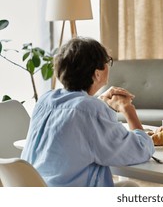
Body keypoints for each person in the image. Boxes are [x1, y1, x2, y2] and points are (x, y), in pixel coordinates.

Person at [21, 37, 155, 187]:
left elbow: (79, 128)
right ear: (97, 74)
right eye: (108, 61)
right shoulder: (90, 110)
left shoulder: (45, 100)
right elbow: (141, 150)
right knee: (130, 188)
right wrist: (128, 110)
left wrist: (101, 101)